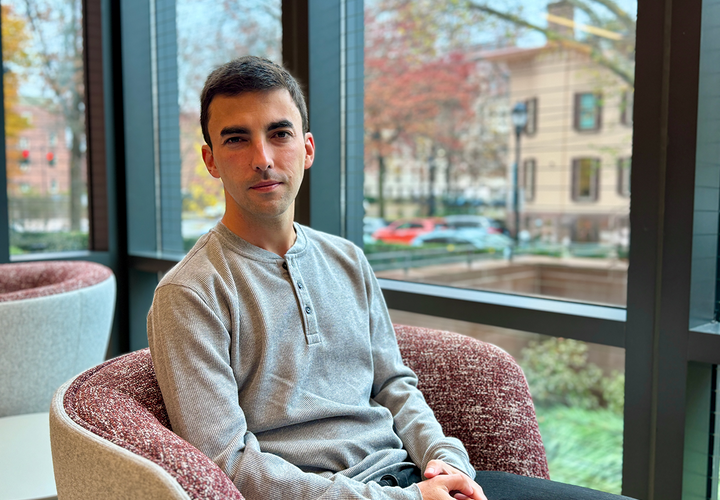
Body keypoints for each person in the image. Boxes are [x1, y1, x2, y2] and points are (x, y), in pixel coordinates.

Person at [147, 56, 634, 500]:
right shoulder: (189, 294)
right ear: (210, 159)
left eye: (280, 134)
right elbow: (228, 465)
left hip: (412, 478)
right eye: (236, 138)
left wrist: (443, 459)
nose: (263, 158)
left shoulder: (348, 260)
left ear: (307, 148)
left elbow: (394, 385)